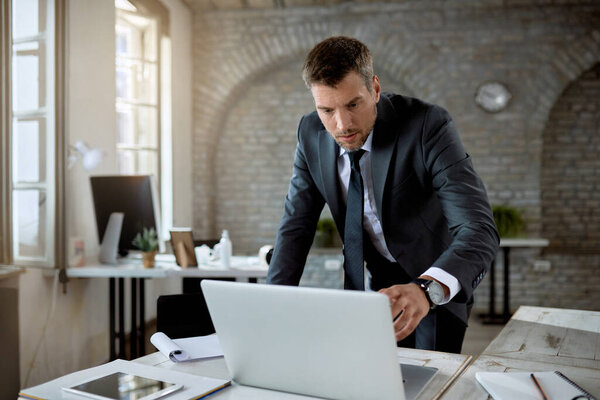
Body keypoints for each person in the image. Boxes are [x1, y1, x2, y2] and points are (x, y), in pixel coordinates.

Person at [266, 36, 499, 353]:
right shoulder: (309, 133)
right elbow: (296, 225)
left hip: (435, 279)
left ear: (374, 89)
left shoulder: (427, 125)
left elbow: (478, 228)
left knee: (431, 383)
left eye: (353, 105)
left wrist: (427, 289)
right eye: (326, 110)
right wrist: (270, 307)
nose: (342, 124)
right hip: (379, 285)